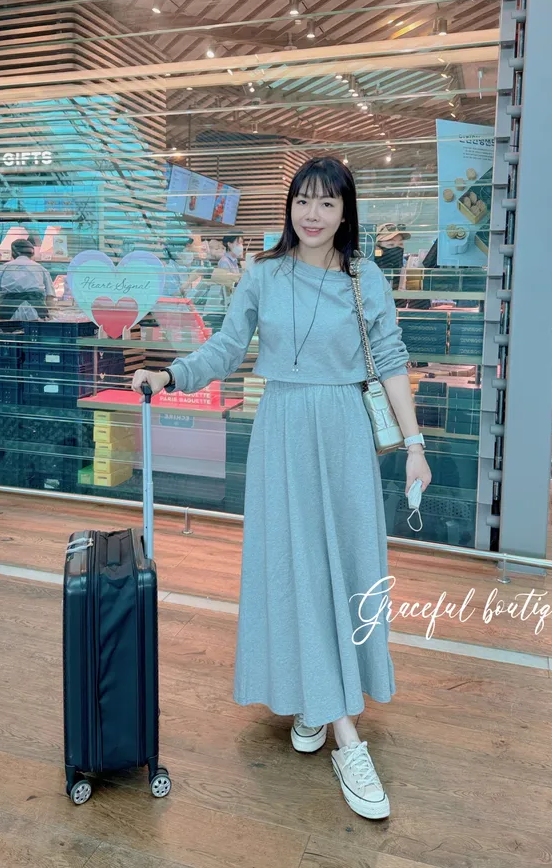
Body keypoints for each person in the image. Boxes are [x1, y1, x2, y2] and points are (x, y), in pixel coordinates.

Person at [131, 157, 431, 821]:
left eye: (327, 203)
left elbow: (390, 360)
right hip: (283, 431)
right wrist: (171, 374)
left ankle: (325, 710)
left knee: (343, 568)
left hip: (344, 434)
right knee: (296, 569)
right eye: (303, 200)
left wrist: (415, 447)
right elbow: (226, 347)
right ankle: (340, 729)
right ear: (289, 207)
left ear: (346, 213)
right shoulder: (263, 275)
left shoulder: (365, 277)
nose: (312, 214)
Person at [0, 238, 56, 321]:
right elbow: (50, 297)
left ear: (13, 253)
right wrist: (51, 318)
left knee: (11, 329)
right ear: (32, 253)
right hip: (36, 312)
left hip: (8, 312)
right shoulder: (41, 269)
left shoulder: (2, 268)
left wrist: (0, 315)